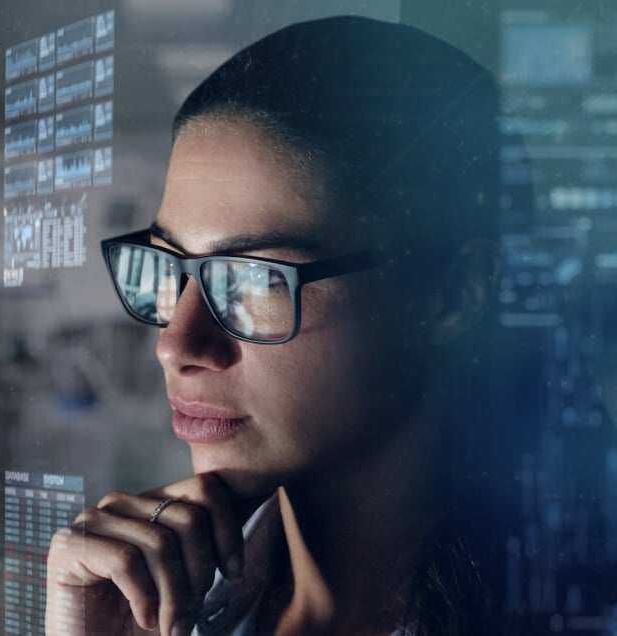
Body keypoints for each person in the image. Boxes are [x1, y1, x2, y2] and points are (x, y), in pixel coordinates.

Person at [47, 15, 513, 635]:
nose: (174, 345)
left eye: (254, 279)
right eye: (168, 268)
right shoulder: (183, 613)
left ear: (452, 295)